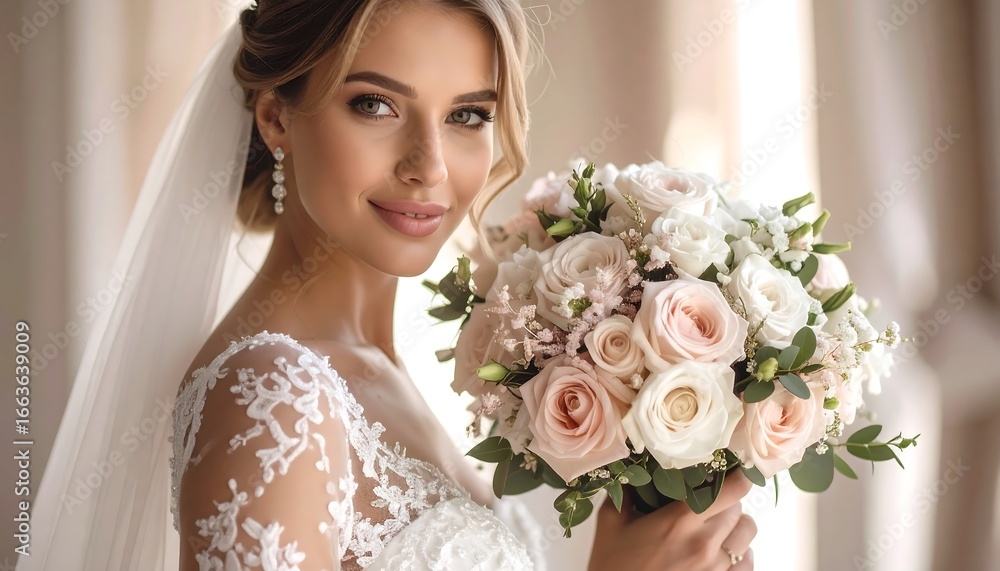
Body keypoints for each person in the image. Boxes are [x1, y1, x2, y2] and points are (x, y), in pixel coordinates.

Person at [19, 1, 757, 569]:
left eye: (468, 115)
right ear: (277, 116)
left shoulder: (383, 374)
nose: (428, 166)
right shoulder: (276, 393)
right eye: (374, 104)